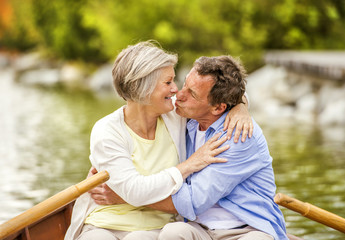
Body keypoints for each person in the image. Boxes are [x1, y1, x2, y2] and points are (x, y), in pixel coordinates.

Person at [65, 41, 252, 240]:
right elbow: (135, 191)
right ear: (142, 88)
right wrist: (190, 164)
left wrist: (241, 108)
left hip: (158, 228)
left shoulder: (176, 114)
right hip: (104, 222)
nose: (175, 90)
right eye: (168, 82)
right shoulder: (107, 130)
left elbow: (225, 93)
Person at [92, 55, 289, 240]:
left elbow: (192, 200)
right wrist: (241, 105)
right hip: (199, 227)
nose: (179, 94)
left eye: (192, 93)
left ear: (218, 108)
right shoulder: (188, 120)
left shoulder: (238, 135)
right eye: (184, 84)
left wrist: (125, 196)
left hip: (246, 228)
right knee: (172, 233)